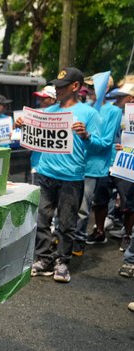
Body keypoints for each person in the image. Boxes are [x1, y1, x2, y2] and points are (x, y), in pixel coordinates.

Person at [22, 67, 103, 283]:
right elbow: (33, 137)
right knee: (42, 219)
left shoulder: (89, 114)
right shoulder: (49, 112)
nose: (56, 90)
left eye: (61, 86)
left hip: (71, 177)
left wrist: (86, 136)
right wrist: (23, 125)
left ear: (75, 87)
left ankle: (62, 261)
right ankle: (44, 258)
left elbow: (102, 146)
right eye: (56, 86)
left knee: (66, 223)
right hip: (45, 173)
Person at [73, 76, 120, 256]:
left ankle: (79, 240)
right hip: (75, 163)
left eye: (94, 86)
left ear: (105, 89)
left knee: (84, 208)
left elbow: (107, 142)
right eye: (89, 86)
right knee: (68, 204)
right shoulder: (85, 108)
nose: (90, 89)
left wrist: (87, 137)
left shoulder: (113, 111)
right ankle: (67, 237)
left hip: (93, 165)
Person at [89, 83, 134, 252]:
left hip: (126, 164)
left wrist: (129, 149)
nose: (116, 100)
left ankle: (128, 235)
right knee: (100, 199)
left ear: (131, 98)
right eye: (115, 96)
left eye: (120, 97)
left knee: (128, 202)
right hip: (106, 162)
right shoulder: (108, 112)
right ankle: (100, 231)